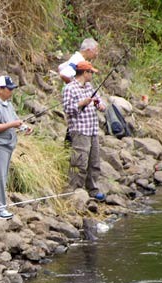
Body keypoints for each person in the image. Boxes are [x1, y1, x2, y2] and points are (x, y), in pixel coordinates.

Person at [62, 61, 107, 201]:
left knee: (94, 163)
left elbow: (101, 104)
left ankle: (93, 190)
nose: (92, 75)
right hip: (80, 131)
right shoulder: (70, 88)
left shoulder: (89, 87)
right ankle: (75, 192)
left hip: (93, 130)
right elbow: (67, 109)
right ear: (85, 73)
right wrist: (82, 103)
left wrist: (100, 106)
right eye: (91, 72)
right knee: (79, 162)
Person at [0, 75, 26, 220]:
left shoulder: (7, 103)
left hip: (7, 147)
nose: (11, 92)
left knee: (2, 177)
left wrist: (23, 127)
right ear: (0, 89)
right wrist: (12, 125)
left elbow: (14, 119)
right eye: (9, 89)